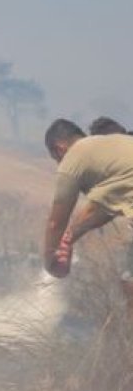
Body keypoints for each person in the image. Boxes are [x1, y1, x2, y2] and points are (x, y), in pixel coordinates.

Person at [42, 119, 133, 283]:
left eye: (57, 159)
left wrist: (50, 260)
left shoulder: (73, 158)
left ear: (60, 149)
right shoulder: (113, 147)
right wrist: (68, 241)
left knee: (128, 280)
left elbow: (56, 223)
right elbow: (101, 211)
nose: (59, 165)